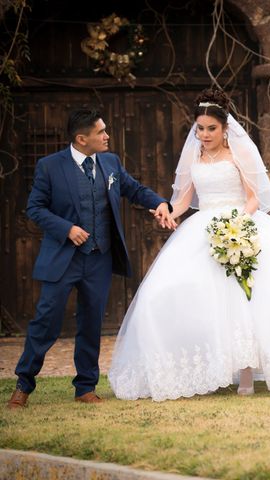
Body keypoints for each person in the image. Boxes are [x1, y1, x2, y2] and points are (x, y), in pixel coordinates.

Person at [108, 88, 270, 400]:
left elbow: (253, 197)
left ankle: (246, 372)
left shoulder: (238, 153)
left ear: (224, 128)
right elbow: (184, 201)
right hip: (203, 229)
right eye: (200, 129)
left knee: (246, 299)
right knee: (185, 298)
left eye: (211, 129)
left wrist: (238, 224)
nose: (204, 135)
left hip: (240, 224)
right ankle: (211, 368)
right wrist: (167, 210)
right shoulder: (194, 156)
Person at [6, 109, 176, 409]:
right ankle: (23, 385)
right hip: (63, 259)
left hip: (99, 259)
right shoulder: (50, 167)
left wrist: (160, 202)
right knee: (45, 322)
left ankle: (85, 386)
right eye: (101, 132)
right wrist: (66, 228)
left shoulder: (110, 163)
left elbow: (133, 190)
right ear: (81, 139)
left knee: (91, 322)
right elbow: (34, 208)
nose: (107, 136)